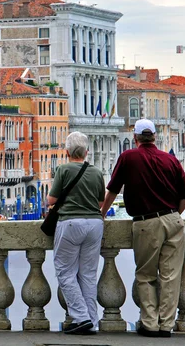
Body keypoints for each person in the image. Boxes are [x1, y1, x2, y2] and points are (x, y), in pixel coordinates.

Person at [101, 119, 185, 338]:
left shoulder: (128, 157)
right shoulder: (170, 159)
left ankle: (150, 323)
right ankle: (166, 325)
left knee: (146, 275)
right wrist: (174, 216)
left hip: (146, 222)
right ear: (155, 136)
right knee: (171, 276)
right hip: (173, 220)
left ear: (136, 138)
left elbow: (112, 190)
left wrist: (102, 213)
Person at [48, 132, 105, 335]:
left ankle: (81, 317)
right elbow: (100, 203)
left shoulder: (63, 170)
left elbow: (51, 200)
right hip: (95, 224)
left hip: (71, 223)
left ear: (67, 152)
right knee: (88, 275)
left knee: (65, 271)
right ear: (87, 152)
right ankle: (92, 320)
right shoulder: (97, 172)